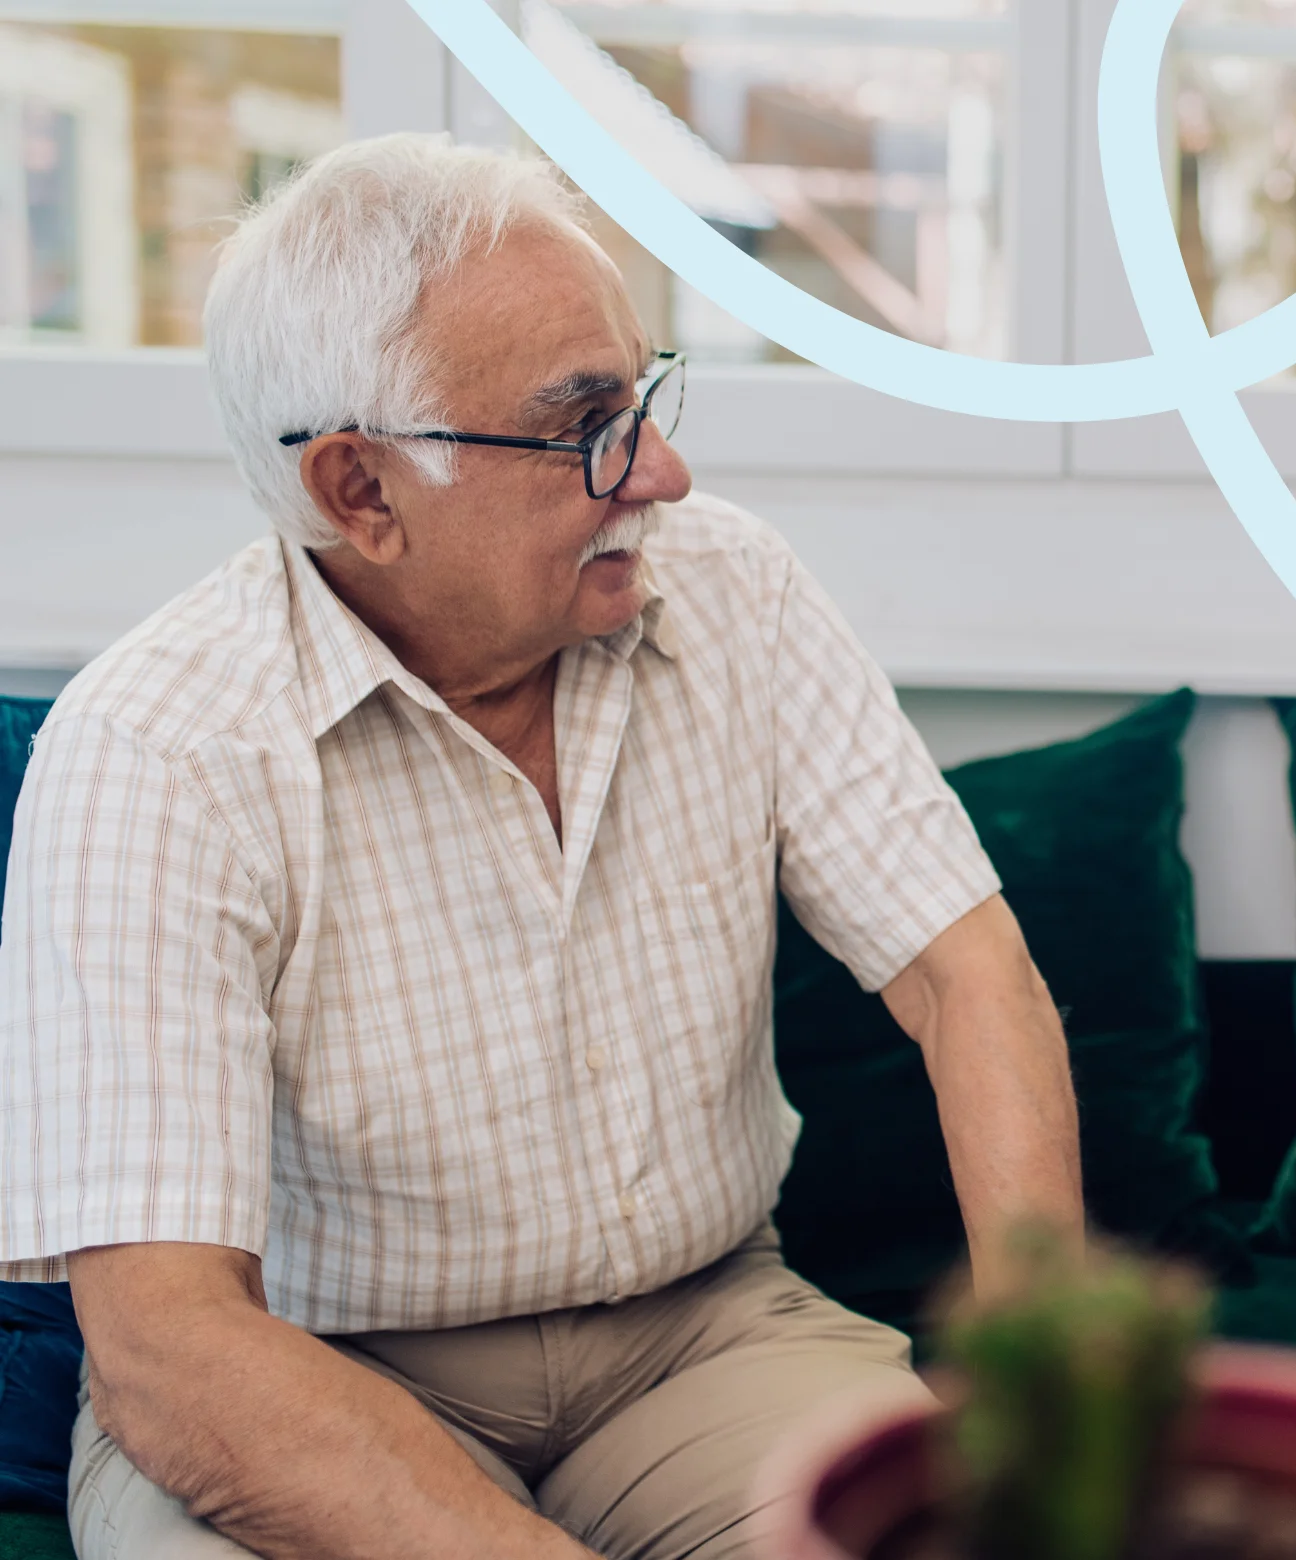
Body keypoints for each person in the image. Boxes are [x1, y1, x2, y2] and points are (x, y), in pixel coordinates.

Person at [0, 135, 1083, 1560]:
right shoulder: (158, 746)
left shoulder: (734, 591)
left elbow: (964, 973)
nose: (665, 473)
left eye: (644, 397)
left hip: (704, 1339)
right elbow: (170, 1349)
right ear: (360, 490)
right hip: (313, 1371)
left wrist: (1037, 1353)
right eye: (588, 426)